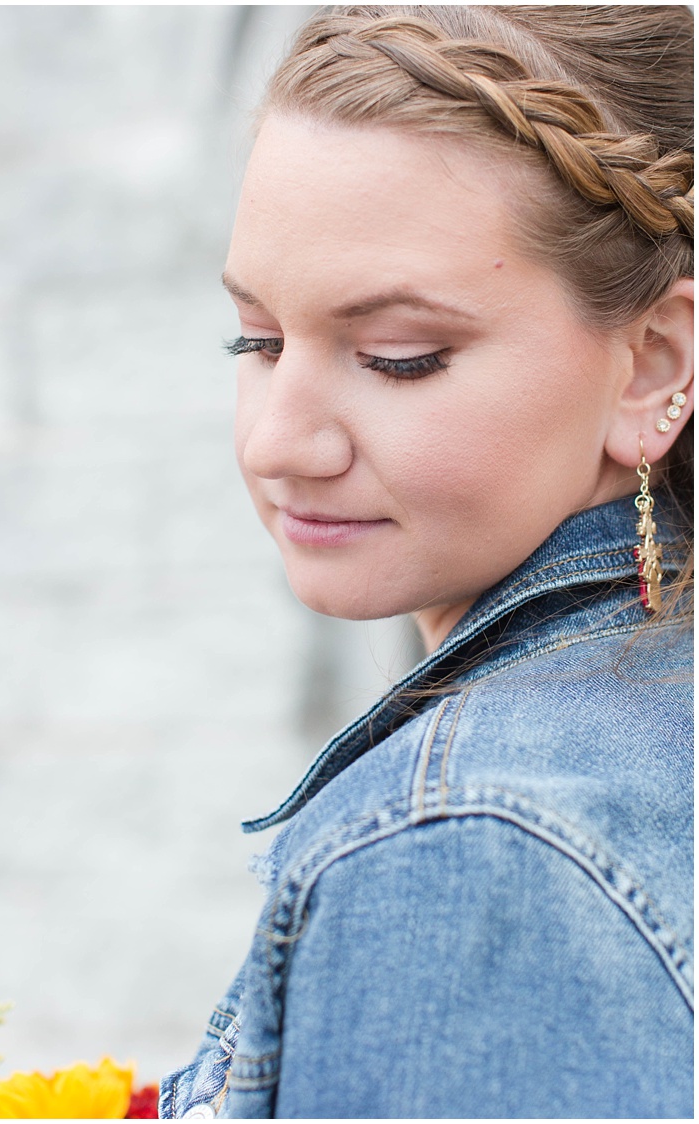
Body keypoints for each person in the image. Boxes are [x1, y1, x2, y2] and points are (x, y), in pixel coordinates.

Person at [161, 6, 692, 1117]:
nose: (275, 441)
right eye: (256, 341)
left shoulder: (468, 844)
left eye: (399, 358)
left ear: (652, 366)